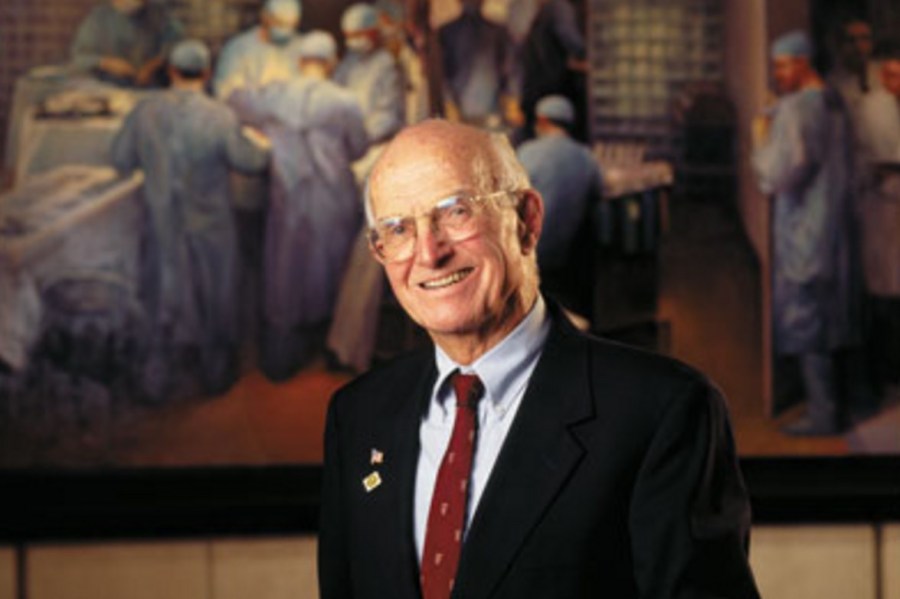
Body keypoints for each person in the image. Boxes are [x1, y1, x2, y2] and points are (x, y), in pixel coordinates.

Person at [319, 120, 760, 598]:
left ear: (526, 221)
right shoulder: (358, 415)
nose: (428, 253)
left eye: (455, 211)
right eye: (398, 229)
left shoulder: (663, 412)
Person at [111, 39, 270, 400]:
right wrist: (262, 145)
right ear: (207, 73)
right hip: (210, 224)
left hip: (161, 221)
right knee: (215, 297)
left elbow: (120, 158)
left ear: (170, 70)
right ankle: (215, 374)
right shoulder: (220, 115)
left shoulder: (145, 111)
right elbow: (249, 162)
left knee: (159, 296)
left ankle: (155, 379)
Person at [228, 31, 369, 381]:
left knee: (286, 274)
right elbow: (359, 148)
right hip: (333, 199)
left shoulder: (273, 96)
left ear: (299, 60)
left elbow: (233, 100)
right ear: (331, 62)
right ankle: (328, 351)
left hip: (289, 197)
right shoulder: (344, 101)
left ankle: (282, 358)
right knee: (330, 270)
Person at [752, 31, 863, 435]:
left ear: (802, 63)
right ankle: (848, 405)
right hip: (836, 230)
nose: (778, 74)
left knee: (808, 322)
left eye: (783, 66)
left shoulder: (797, 109)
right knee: (835, 318)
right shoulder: (833, 101)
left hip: (805, 232)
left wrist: (760, 138)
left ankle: (822, 415)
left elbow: (778, 174)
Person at [325, 3, 407, 374]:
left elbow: (386, 118)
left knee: (365, 258)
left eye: (360, 34)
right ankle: (342, 343)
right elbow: (334, 103)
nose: (355, 42)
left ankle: (349, 348)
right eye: (350, 37)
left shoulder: (388, 67)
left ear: (375, 32)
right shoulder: (347, 66)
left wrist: (353, 138)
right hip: (347, 157)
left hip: (372, 154)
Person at [517, 94, 602, 317]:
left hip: (534, 255)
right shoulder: (586, 156)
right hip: (572, 259)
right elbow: (597, 193)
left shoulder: (528, 153)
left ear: (542, 121)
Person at [854, 52, 900, 393]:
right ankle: (884, 374)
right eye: (892, 74)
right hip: (879, 211)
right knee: (882, 296)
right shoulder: (870, 108)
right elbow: (866, 162)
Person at [438, 0, 519, 128]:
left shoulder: (498, 32)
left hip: (492, 116)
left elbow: (509, 72)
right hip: (459, 117)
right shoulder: (446, 33)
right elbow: (442, 76)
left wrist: (511, 102)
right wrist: (449, 104)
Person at [70, 0, 184, 87]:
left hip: (153, 88)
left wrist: (154, 64)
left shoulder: (158, 14)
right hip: (110, 88)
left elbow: (176, 44)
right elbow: (80, 57)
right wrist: (106, 63)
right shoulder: (99, 18)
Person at [518, 0, 588, 140]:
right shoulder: (558, 8)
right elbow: (574, 44)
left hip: (537, 94)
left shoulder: (545, 11)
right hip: (553, 95)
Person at [213, 0, 304, 100]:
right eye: (279, 22)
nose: (285, 29)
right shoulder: (238, 49)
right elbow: (225, 92)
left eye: (291, 24)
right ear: (264, 16)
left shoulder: (302, 47)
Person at [828, 19, 882, 123]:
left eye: (864, 38)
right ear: (841, 46)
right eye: (851, 40)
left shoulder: (886, 74)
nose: (858, 45)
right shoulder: (833, 86)